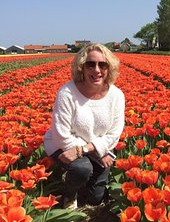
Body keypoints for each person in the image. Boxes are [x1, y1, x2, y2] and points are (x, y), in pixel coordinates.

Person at [44, 43, 125, 210]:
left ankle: (83, 179)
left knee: (95, 199)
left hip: (93, 148)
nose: (97, 70)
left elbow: (114, 134)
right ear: (82, 67)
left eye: (103, 64)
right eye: (90, 64)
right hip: (64, 146)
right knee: (82, 168)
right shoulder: (67, 93)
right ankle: (69, 193)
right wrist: (94, 152)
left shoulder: (116, 95)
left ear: (109, 68)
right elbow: (61, 136)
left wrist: (89, 150)